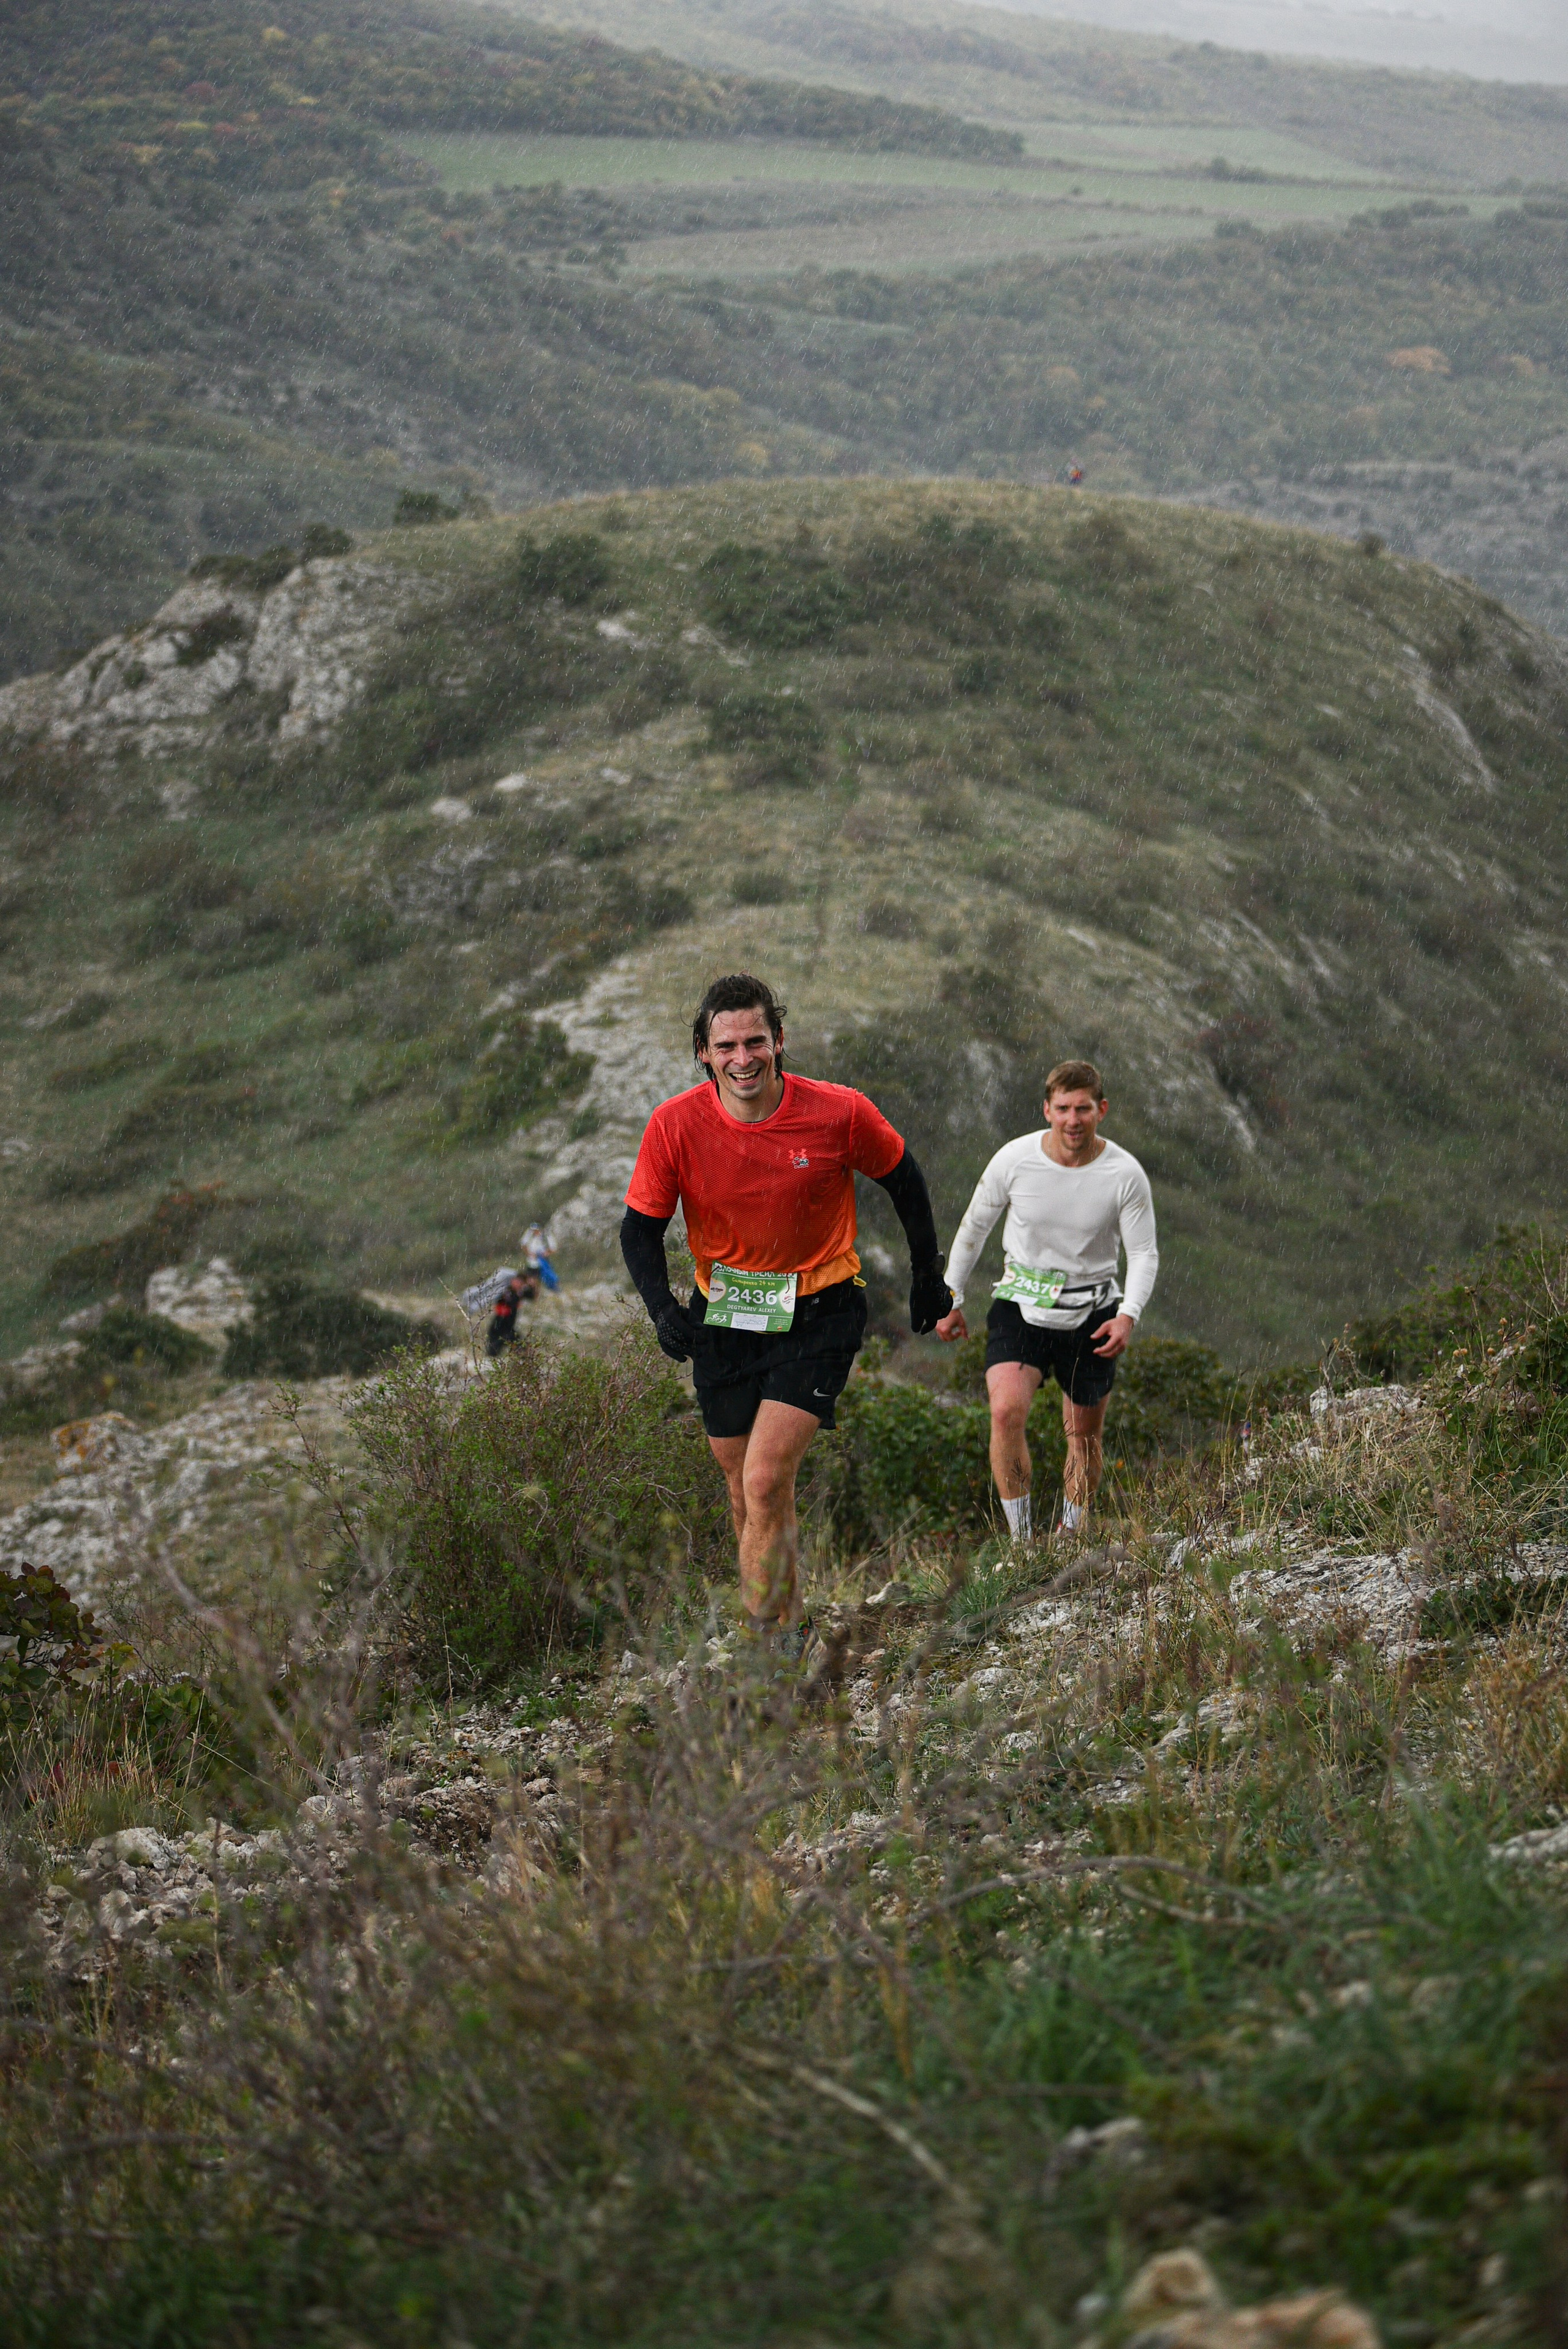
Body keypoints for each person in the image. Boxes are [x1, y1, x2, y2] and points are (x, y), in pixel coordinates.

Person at [620, 973, 952, 1653]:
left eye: (755, 1041)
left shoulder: (839, 1112)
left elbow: (904, 1179)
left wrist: (928, 1278)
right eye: (727, 1045)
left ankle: (765, 1654)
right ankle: (793, 1627)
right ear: (703, 1052)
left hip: (820, 1309)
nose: (743, 1058)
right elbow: (639, 1228)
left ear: (779, 1040)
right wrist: (660, 1307)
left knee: (766, 1478)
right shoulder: (675, 1124)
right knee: (746, 1491)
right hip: (726, 1313)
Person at [935, 1060, 1156, 1545]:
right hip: (1021, 1305)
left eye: (1083, 1109)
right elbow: (973, 1229)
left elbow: (1143, 1252)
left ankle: (1070, 1535)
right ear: (1046, 1110)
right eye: (1063, 1109)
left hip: (1094, 1313)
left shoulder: (1125, 1174)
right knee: (1005, 1413)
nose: (1073, 1120)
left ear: (1102, 1110)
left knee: (1082, 1434)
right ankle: (1023, 1542)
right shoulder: (1014, 1160)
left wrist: (1128, 1315)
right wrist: (950, 1298)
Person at [486, 1269, 538, 1355]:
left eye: (521, 1283)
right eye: (517, 1282)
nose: (518, 1284)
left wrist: (533, 1285)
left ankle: (522, 1364)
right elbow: (507, 1301)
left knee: (522, 1346)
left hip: (509, 1327)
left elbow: (533, 1297)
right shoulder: (506, 1292)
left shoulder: (519, 1293)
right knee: (493, 1351)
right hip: (499, 1326)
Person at [521, 1223, 560, 1292]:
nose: (534, 1232)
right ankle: (532, 1292)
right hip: (531, 1261)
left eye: (536, 1230)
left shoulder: (546, 1237)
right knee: (531, 1277)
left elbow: (553, 1249)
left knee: (546, 1275)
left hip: (543, 1261)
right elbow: (523, 1245)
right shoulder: (529, 1235)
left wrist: (546, 1253)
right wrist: (529, 1254)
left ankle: (552, 1289)